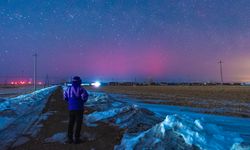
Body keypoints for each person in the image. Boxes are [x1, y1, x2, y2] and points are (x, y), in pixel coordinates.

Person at [64, 76, 89, 144]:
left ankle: (70, 139)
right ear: (79, 81)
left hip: (71, 109)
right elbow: (85, 97)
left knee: (71, 123)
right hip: (79, 108)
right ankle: (76, 139)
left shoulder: (68, 89)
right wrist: (81, 102)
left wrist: (71, 102)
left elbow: (65, 98)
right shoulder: (81, 89)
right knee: (78, 124)